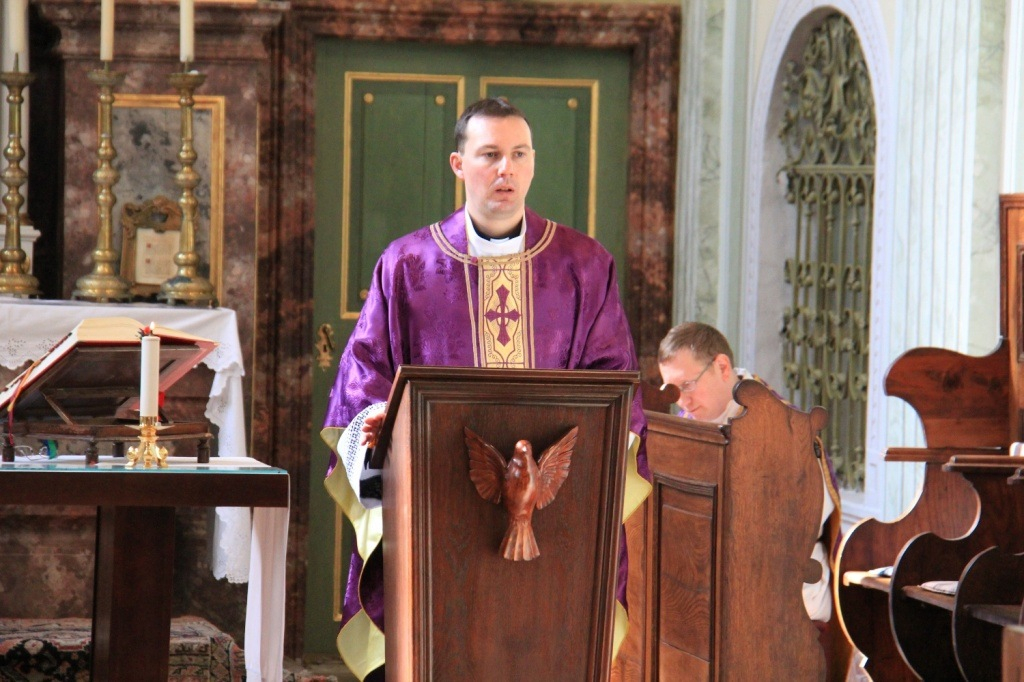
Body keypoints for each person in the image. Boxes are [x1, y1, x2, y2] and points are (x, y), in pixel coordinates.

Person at [322, 97, 650, 681]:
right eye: (490, 154)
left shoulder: (583, 264)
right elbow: (365, 374)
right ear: (458, 164)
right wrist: (375, 427)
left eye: (519, 154)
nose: (507, 170)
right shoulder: (408, 264)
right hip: (436, 509)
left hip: (558, 515)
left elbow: (616, 383)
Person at [656, 321, 842, 624]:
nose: (683, 401)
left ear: (722, 366)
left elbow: (812, 514)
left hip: (783, 594)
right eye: (673, 390)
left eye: (687, 385)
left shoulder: (783, 425)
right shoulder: (684, 428)